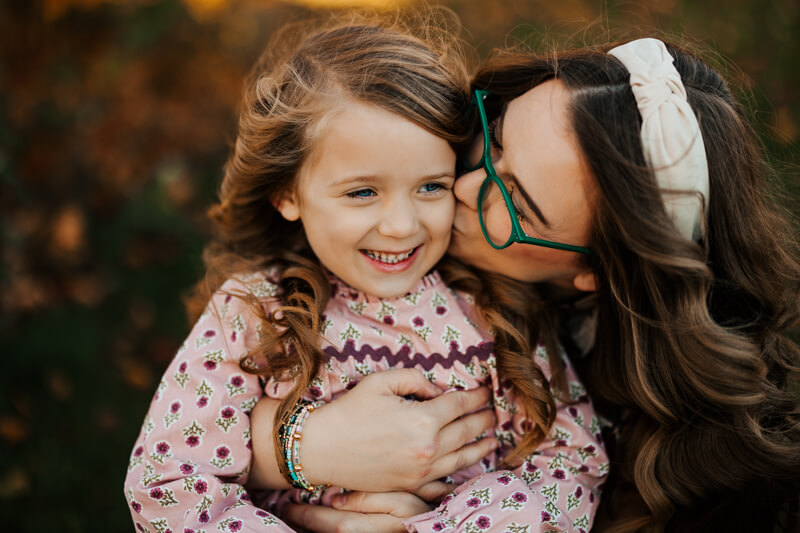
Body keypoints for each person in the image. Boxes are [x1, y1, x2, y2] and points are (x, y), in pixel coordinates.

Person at [246, 38, 800, 532]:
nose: (463, 186)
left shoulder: (689, 480)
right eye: (495, 139)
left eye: (515, 202)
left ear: (596, 274)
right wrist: (298, 449)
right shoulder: (322, 256)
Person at [123, 11, 608, 533]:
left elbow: (573, 465)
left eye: (431, 186)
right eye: (362, 192)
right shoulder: (254, 310)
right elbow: (165, 482)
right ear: (288, 194)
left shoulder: (495, 312)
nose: (402, 226)